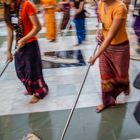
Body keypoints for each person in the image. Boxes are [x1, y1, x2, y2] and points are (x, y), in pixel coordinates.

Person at [3, 0, 49, 104]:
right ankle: (31, 89)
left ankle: (38, 93)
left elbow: (37, 27)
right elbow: (10, 32)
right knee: (20, 70)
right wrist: (9, 51)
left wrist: (24, 39)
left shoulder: (26, 5)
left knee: (32, 71)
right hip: (19, 45)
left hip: (30, 44)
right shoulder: (8, 9)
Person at [88, 0, 130, 112]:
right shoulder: (101, 4)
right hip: (105, 47)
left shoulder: (120, 8)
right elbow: (101, 22)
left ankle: (125, 85)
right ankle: (107, 101)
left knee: (120, 75)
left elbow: (111, 36)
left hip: (120, 48)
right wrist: (99, 32)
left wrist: (95, 57)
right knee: (105, 75)